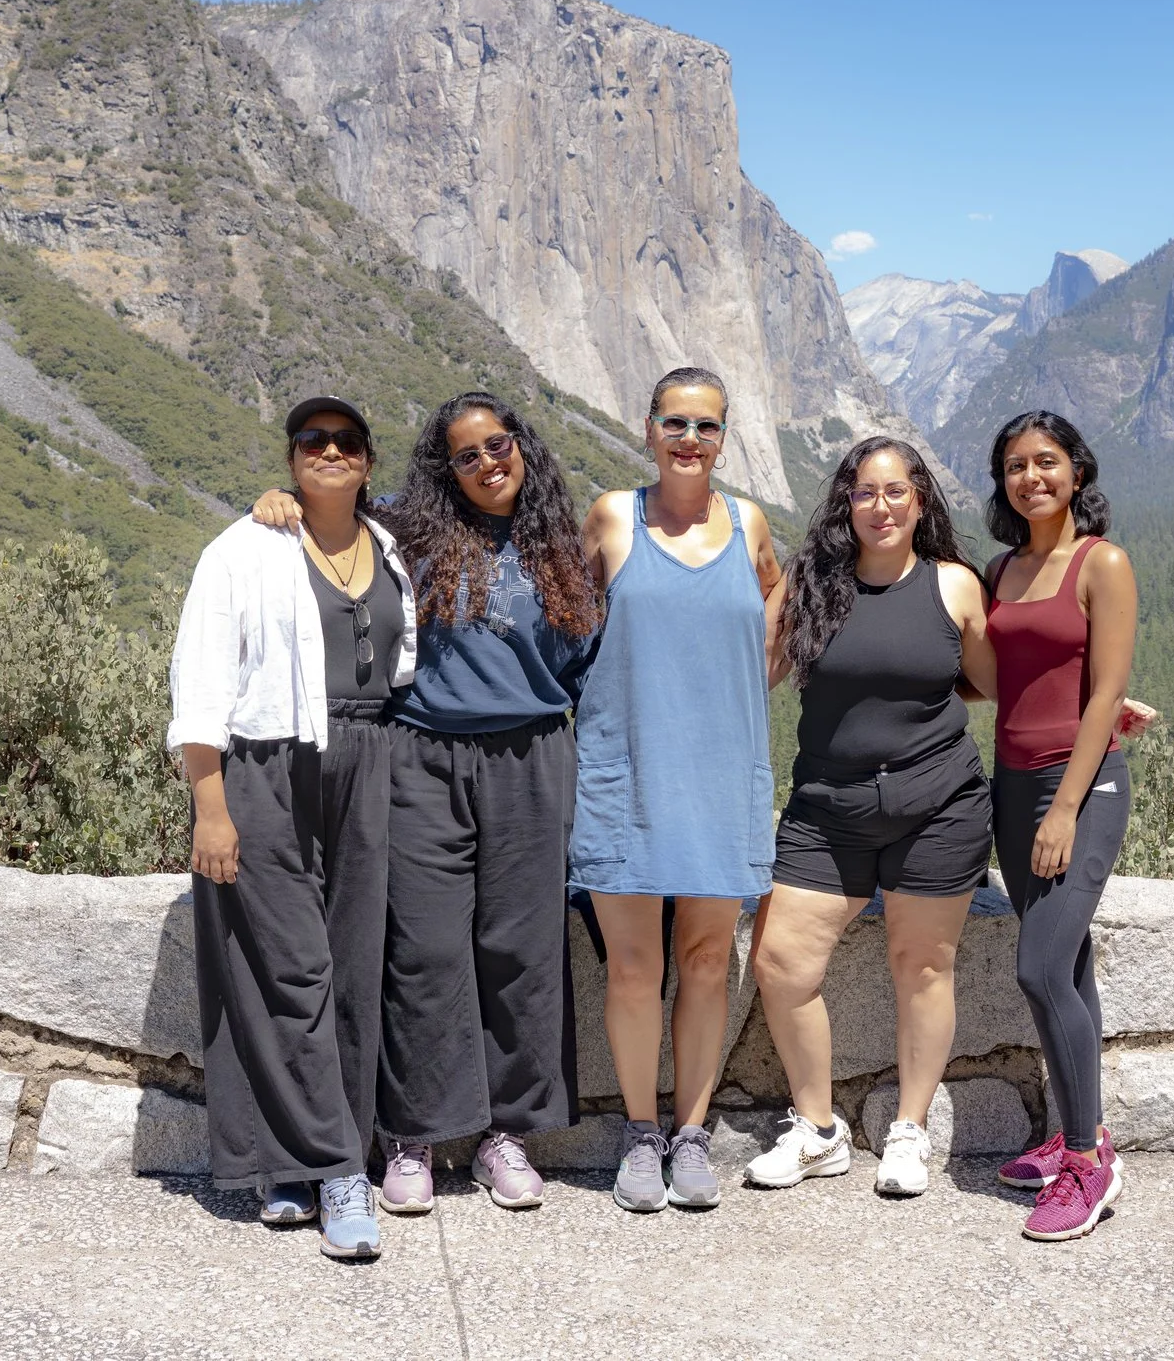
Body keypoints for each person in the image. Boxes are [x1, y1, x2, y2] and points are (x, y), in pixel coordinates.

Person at [253, 392, 599, 1213]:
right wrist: (276, 502)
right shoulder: (406, 530)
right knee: (424, 950)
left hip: (532, 756)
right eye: (466, 454)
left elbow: (587, 665)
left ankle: (505, 1135)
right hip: (422, 759)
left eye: (498, 444)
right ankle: (414, 1137)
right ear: (445, 469)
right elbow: (331, 506)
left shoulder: (561, 546)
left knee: (522, 949)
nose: (487, 463)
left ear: (524, 447)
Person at [166, 396, 417, 1262]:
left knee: (350, 972)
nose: (331, 452)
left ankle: (289, 1166)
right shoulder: (243, 550)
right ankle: (341, 1170)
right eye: (313, 441)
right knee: (288, 968)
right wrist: (211, 804)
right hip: (271, 766)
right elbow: (200, 683)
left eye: (347, 442)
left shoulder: (389, 549)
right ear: (291, 456)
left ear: (368, 462)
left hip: (371, 763)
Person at [746, 437, 995, 1199]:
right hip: (828, 810)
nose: (880, 506)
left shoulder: (954, 586)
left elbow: (997, 685)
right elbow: (751, 673)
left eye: (895, 491)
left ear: (920, 500)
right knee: (781, 962)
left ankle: (909, 1131)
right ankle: (818, 1131)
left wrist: (1096, 711)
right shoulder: (810, 585)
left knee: (921, 966)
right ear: (845, 504)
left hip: (939, 807)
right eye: (864, 492)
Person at [572, 366, 781, 1212]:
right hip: (627, 771)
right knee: (632, 967)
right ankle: (637, 1133)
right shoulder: (612, 516)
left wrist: (751, 676)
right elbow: (569, 614)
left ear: (725, 436)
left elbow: (778, 590)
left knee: (703, 961)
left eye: (706, 426)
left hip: (723, 771)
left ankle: (691, 1134)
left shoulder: (750, 523)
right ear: (648, 429)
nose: (690, 440)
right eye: (675, 423)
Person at [980, 410, 1138, 1244]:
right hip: (1011, 785)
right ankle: (1077, 1132)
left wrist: (1068, 808)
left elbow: (1106, 690)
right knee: (1068, 966)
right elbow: (991, 674)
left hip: (1081, 787)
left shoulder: (1099, 562)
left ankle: (1088, 1159)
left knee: (1039, 968)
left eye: (1046, 462)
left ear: (1076, 471)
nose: (1030, 477)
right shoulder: (1002, 569)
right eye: (1014, 465)